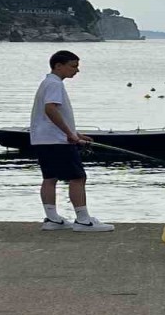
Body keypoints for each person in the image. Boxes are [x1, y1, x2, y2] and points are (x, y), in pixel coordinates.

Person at [31, 50, 113, 232]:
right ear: (58, 66)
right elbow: (50, 109)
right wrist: (70, 134)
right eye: (73, 66)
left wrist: (76, 133)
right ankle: (83, 220)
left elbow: (52, 113)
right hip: (56, 141)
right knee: (78, 177)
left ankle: (53, 219)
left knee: (50, 178)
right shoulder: (55, 84)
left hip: (42, 139)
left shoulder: (47, 83)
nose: (76, 70)